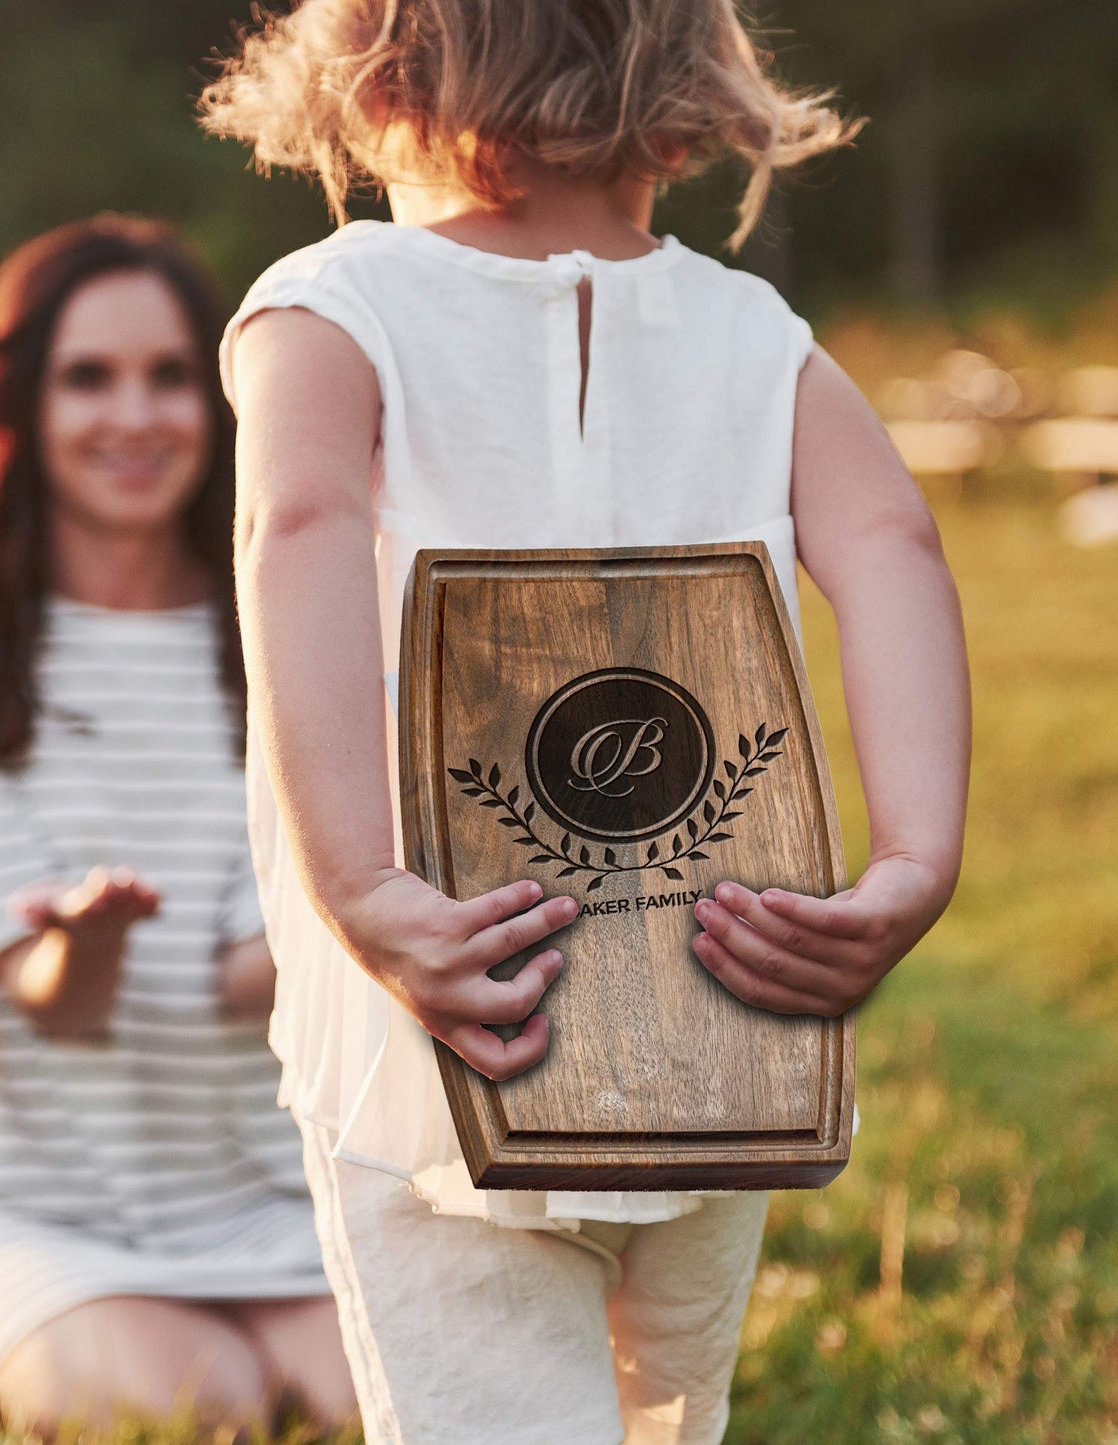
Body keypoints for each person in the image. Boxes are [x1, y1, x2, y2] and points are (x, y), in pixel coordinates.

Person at [201, 3, 971, 1442]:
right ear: (690, 93)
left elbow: (294, 530)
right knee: (677, 1412)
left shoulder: (332, 306)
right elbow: (894, 548)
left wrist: (366, 887)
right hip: (721, 1006)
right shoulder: (754, 333)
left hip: (454, 1002)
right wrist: (909, 864)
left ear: (375, 79)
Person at [0, 214, 356, 1437]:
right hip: (25, 1207)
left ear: (221, 400)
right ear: (20, 404)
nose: (133, 417)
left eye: (169, 376)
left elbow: (254, 980)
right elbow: (54, 998)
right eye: (89, 377)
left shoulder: (287, 642)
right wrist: (86, 935)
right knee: (202, 1405)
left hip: (266, 1199)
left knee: (378, 1402)